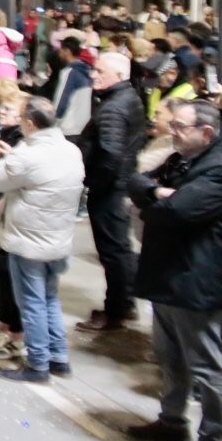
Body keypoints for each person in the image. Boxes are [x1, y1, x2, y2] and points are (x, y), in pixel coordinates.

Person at [123, 98, 222, 441]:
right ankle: (172, 421)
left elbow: (175, 214)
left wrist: (154, 201)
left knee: (207, 368)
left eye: (178, 127)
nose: (169, 132)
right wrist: (156, 193)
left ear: (206, 132)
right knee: (170, 357)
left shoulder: (221, 171)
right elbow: (136, 180)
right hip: (170, 276)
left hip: (197, 282)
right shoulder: (183, 159)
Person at [0, 96, 83, 383]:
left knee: (31, 302)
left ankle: (37, 363)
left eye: (20, 118)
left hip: (27, 242)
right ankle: (58, 358)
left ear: (30, 123)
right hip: (58, 239)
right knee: (50, 298)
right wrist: (12, 157)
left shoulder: (28, 156)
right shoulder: (70, 150)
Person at [77, 51, 146, 334]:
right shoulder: (127, 98)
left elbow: (111, 153)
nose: (93, 75)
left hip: (110, 189)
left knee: (114, 252)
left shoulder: (113, 108)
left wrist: (95, 182)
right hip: (118, 185)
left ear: (119, 76)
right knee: (118, 251)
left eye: (100, 71)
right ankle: (123, 305)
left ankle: (117, 310)